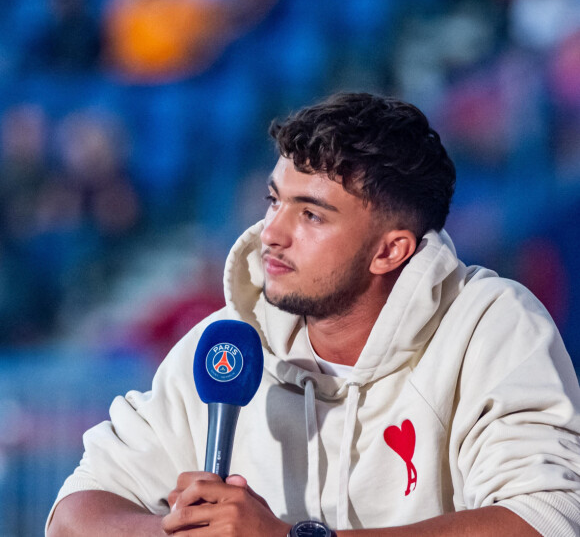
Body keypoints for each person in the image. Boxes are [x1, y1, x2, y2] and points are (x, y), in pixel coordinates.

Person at [46, 93, 580, 536]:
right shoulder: (228, 342)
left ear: (389, 251)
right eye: (274, 201)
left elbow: (544, 520)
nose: (272, 233)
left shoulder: (488, 323)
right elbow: (76, 511)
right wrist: (175, 532)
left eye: (310, 215)